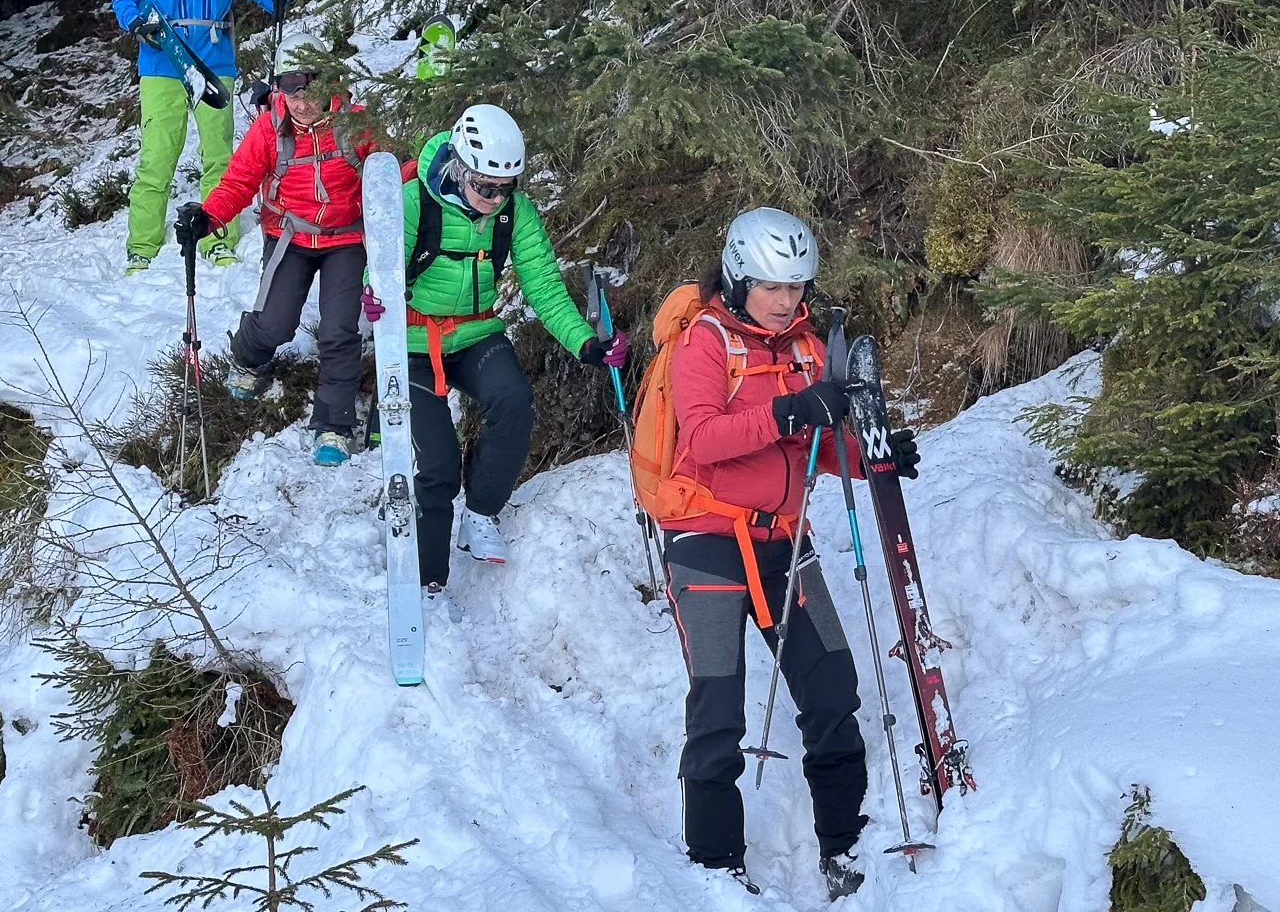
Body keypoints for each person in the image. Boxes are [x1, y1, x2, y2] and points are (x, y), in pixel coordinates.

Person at [660, 207, 918, 902]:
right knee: (719, 709)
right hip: (706, 540)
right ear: (740, 277)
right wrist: (792, 411)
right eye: (773, 286)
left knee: (832, 688)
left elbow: (821, 450)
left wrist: (873, 460)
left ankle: (844, 848)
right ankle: (716, 866)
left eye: (797, 286)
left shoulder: (804, 347)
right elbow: (704, 439)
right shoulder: (706, 342)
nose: (786, 300)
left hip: (785, 542)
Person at [367, 104, 626, 592]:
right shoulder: (412, 203)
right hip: (412, 343)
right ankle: (429, 580)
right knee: (439, 465)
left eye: (506, 188)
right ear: (459, 169)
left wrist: (586, 343)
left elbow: (544, 288)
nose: (496, 198)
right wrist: (373, 298)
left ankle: (481, 513)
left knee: (514, 403)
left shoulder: (514, 214)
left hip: (477, 333)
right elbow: (379, 269)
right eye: (485, 187)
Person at [179, 34, 370, 466]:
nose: (302, 103)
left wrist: (427, 172)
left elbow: (394, 170)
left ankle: (333, 424)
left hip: (346, 237)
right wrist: (207, 219)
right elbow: (238, 182)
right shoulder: (268, 129)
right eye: (291, 91)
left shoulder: (359, 123)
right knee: (274, 323)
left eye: (310, 91)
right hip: (289, 236)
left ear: (329, 82)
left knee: (339, 331)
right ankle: (248, 357)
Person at [111, 0, 283, 273]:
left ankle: (217, 238)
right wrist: (136, 23)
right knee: (157, 156)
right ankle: (142, 245)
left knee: (220, 157)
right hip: (161, 65)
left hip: (213, 63)